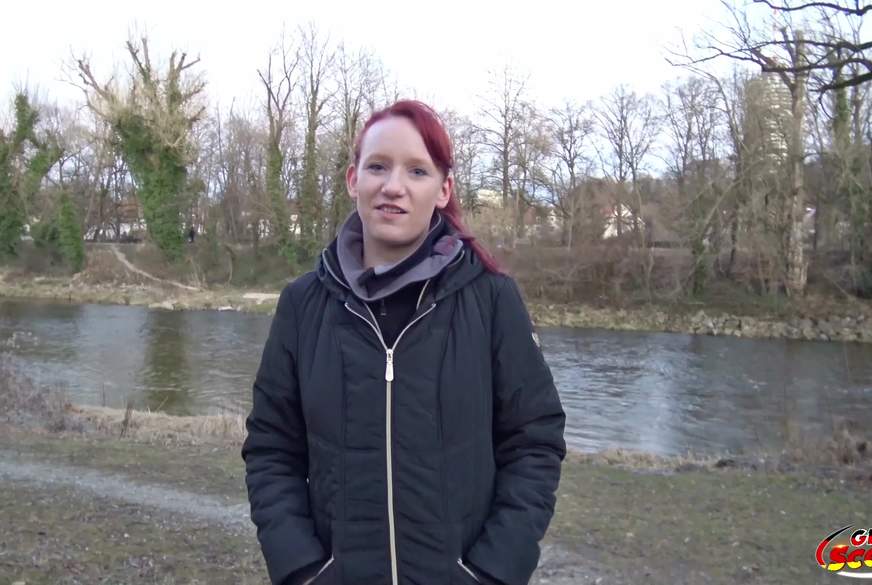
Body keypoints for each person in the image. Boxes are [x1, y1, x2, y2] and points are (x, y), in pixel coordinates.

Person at [242, 100, 565, 585]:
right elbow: (271, 449)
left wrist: (493, 572)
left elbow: (535, 443)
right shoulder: (302, 305)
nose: (393, 186)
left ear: (443, 189)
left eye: (417, 170)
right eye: (378, 166)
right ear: (353, 180)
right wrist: (303, 570)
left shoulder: (492, 300)